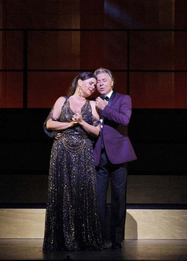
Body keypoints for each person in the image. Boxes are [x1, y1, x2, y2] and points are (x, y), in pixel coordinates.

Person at [42, 72, 104, 251]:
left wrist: (82, 122)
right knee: (61, 191)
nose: (93, 87)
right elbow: (49, 124)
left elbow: (97, 131)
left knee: (82, 191)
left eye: (95, 85)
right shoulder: (62, 100)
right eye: (91, 83)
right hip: (62, 150)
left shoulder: (92, 105)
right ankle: (60, 239)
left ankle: (83, 238)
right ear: (80, 82)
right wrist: (70, 124)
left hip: (83, 151)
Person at [93, 68, 137, 250]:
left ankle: (117, 238)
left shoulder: (123, 99)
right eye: (97, 81)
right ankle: (101, 237)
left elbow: (124, 120)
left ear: (112, 82)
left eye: (104, 80)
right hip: (98, 156)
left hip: (118, 155)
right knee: (98, 199)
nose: (100, 83)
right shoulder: (92, 102)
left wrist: (105, 109)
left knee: (118, 198)